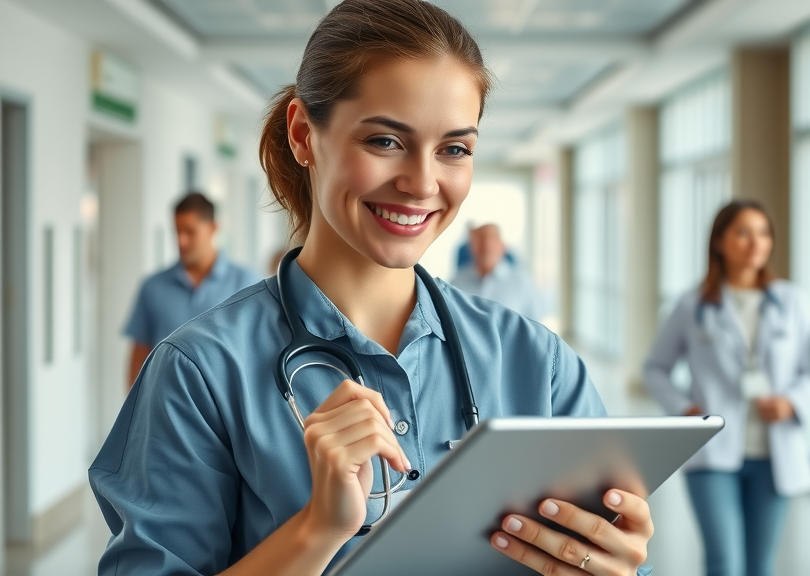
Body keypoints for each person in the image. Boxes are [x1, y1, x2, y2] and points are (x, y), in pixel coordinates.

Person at [89, 2, 654, 575]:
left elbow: (608, 550)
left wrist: (614, 565)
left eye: (454, 149)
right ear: (303, 134)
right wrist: (317, 530)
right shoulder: (200, 373)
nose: (422, 183)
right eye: (385, 141)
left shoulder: (537, 364)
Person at [644, 200, 810, 576]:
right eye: (743, 233)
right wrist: (683, 409)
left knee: (760, 565)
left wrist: (792, 402)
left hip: (774, 453)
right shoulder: (692, 305)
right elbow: (655, 369)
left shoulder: (792, 301)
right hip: (712, 452)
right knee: (724, 563)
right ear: (719, 241)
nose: (755, 243)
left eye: (763, 233)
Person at [123, 192, 261, 387]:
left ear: (213, 228)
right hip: (164, 402)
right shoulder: (153, 287)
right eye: (177, 231)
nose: (181, 241)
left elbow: (259, 352)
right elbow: (139, 357)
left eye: (190, 232)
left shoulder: (247, 284)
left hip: (226, 402)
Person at [451, 223, 541, 319]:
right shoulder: (456, 283)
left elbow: (536, 323)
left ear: (503, 246)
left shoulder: (522, 282)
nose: (486, 245)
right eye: (481, 239)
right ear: (471, 247)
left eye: (492, 239)